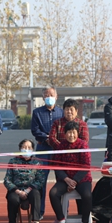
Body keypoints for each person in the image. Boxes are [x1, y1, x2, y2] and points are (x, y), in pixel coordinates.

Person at [49, 121, 93, 223]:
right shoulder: (60, 146)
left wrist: (75, 181)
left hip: (82, 179)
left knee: (87, 195)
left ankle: (85, 221)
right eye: (69, 132)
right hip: (65, 179)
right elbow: (56, 166)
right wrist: (66, 179)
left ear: (77, 133)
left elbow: (86, 166)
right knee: (53, 193)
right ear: (64, 134)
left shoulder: (83, 145)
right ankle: (62, 221)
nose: (71, 135)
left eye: (74, 132)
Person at [30, 86, 64, 216]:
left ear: (56, 96)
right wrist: (46, 138)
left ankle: (61, 213)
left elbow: (65, 129)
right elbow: (35, 130)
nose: (49, 97)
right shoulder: (37, 112)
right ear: (43, 97)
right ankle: (39, 212)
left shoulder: (61, 112)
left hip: (58, 150)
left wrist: (54, 139)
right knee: (40, 181)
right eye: (46, 95)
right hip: (43, 149)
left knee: (61, 180)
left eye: (51, 95)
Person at [4, 139, 43, 223]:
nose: (26, 149)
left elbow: (40, 180)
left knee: (36, 194)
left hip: (31, 190)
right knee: (12, 199)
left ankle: (36, 222)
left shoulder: (37, 162)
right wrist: (18, 191)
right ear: (20, 149)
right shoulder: (13, 161)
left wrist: (28, 190)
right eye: (24, 147)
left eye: (29, 147)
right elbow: (7, 180)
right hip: (16, 190)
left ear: (32, 150)